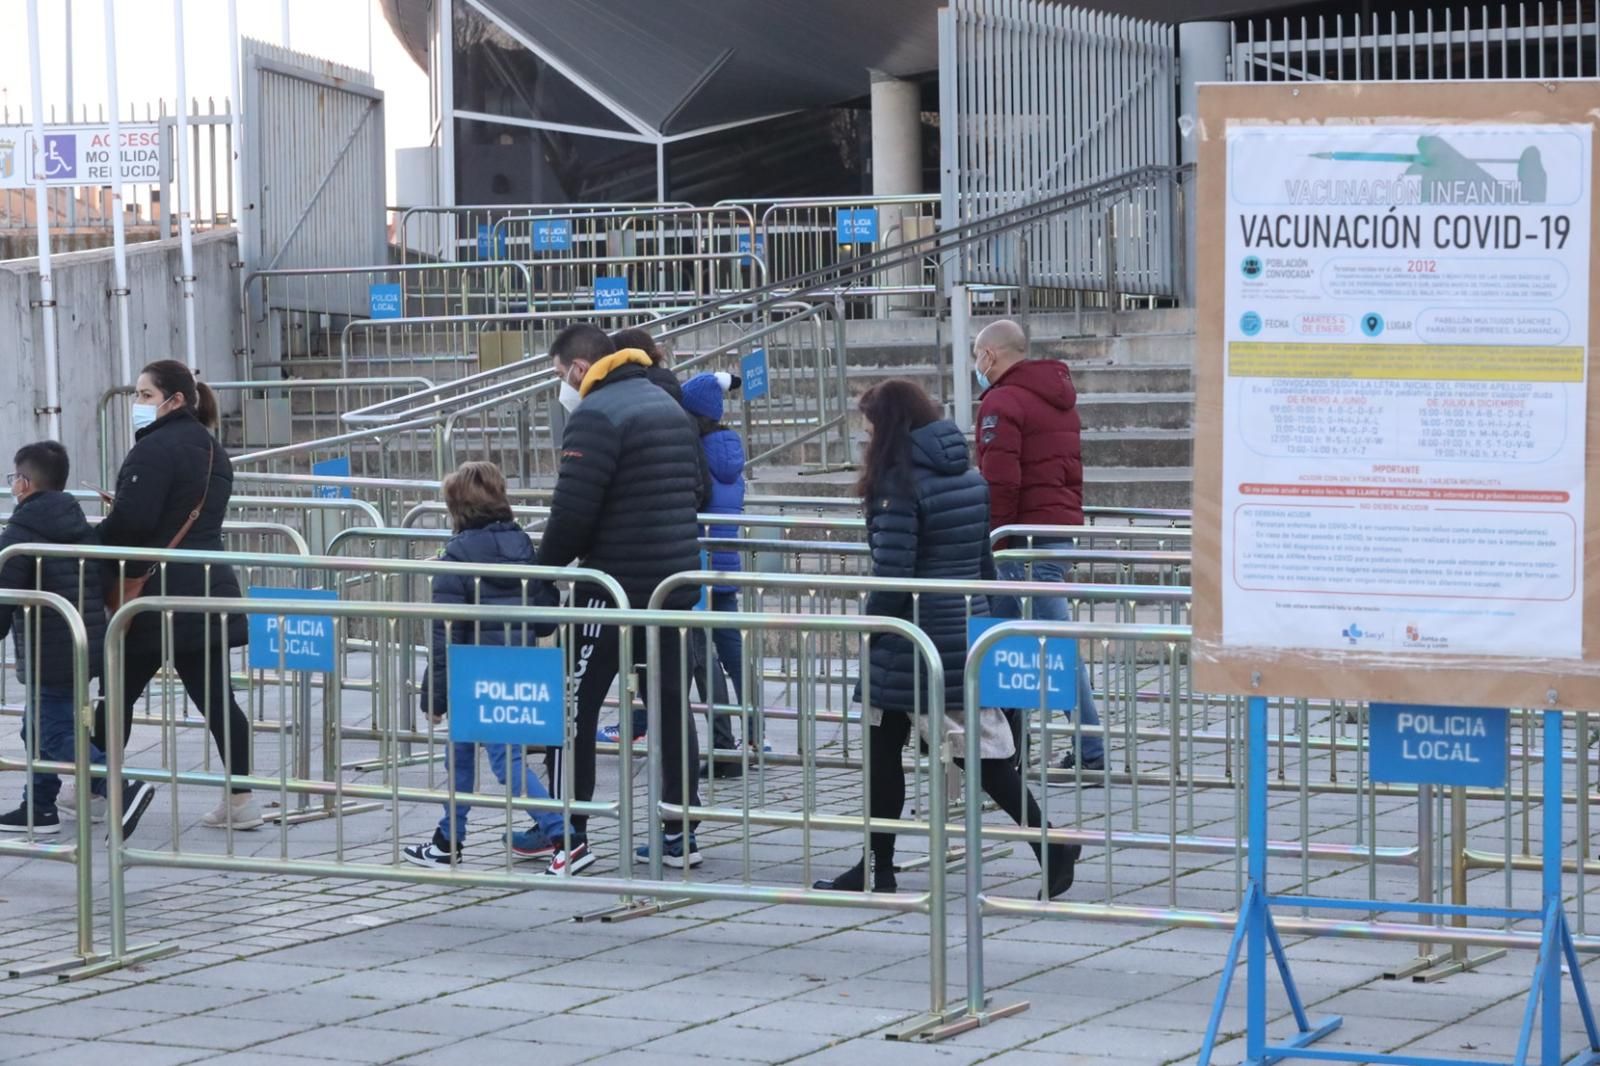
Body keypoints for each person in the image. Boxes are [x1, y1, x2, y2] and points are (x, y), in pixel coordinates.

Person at [812, 379, 1078, 899]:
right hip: (957, 630)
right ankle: (879, 864)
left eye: (868, 425)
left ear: (887, 426)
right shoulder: (969, 478)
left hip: (909, 639)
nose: (865, 435)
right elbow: (983, 565)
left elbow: (894, 571)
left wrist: (871, 626)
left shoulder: (898, 484)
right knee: (951, 751)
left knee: (914, 755)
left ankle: (1047, 845)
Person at [536, 325, 707, 871]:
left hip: (610, 589)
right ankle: (680, 830)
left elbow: (572, 515)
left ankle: (569, 832)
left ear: (580, 368)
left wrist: (539, 574)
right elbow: (697, 489)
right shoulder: (667, 404)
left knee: (573, 706)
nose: (563, 386)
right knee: (670, 705)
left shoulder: (597, 415)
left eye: (561, 375)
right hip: (673, 583)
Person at [96, 359, 259, 830]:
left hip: (155, 594)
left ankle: (98, 789)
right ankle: (243, 797)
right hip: (205, 587)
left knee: (115, 693)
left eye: (145, 395)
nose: (137, 404)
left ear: (175, 400)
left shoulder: (153, 450)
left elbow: (133, 523)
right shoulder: (212, 450)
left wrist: (95, 541)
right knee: (216, 697)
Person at [404, 461, 573, 869]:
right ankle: (448, 838)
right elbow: (546, 609)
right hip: (517, 665)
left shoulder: (454, 558)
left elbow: (445, 634)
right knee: (471, 756)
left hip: (470, 671)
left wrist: (435, 696)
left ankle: (560, 833)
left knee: (496, 762)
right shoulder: (523, 547)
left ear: (457, 508)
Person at [0, 443, 155, 837]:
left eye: (13, 478)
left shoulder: (21, 535)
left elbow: (5, 592)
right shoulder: (78, 525)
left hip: (48, 653)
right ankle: (38, 807)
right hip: (83, 645)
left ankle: (119, 788)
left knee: (52, 732)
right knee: (36, 728)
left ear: (24, 483)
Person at [972, 319, 1106, 774]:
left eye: (977, 356)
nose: (977, 365)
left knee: (1033, 644)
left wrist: (993, 540)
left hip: (1019, 539)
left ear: (990, 355)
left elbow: (1000, 481)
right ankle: (1011, 750)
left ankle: (1085, 750)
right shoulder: (1059, 400)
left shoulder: (1002, 402)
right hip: (1055, 531)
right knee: (1015, 641)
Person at [679, 372, 758, 779]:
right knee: (734, 654)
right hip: (727, 562)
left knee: (702, 660)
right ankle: (756, 737)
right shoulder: (729, 448)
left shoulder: (692, 452)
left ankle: (724, 745)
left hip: (697, 564)